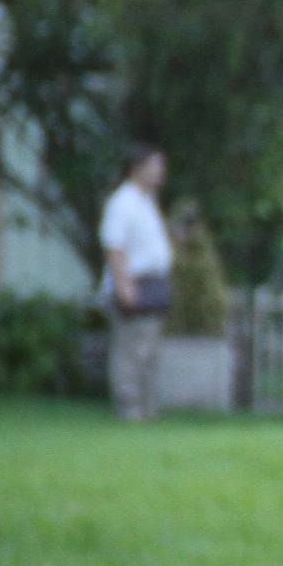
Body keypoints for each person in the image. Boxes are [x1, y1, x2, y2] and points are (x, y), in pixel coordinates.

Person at [99, 145, 173, 422]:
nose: (160, 172)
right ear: (136, 169)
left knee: (149, 351)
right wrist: (124, 286)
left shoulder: (147, 202)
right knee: (130, 351)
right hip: (134, 283)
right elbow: (114, 246)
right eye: (154, 166)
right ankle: (129, 408)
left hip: (153, 284)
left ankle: (147, 409)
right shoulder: (123, 202)